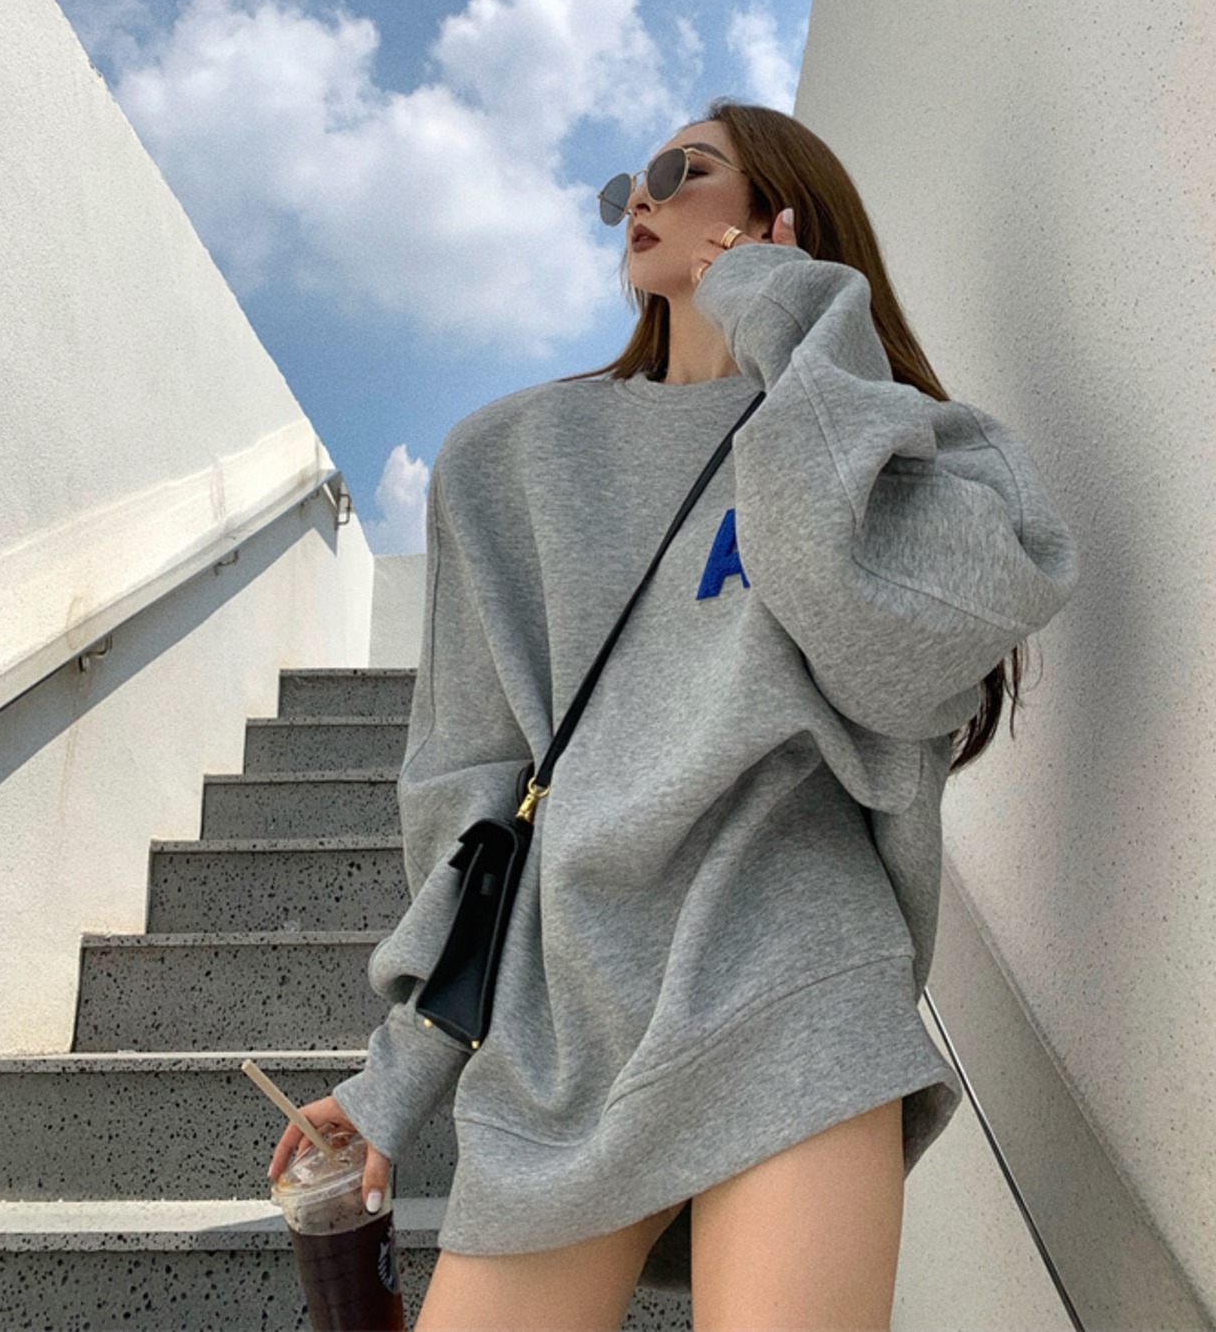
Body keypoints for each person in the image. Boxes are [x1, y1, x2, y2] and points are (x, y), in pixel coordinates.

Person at [269, 100, 1080, 1331]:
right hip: (560, 1018)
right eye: (624, 188)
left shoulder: (905, 448)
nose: (638, 199)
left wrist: (785, 314)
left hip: (793, 964)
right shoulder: (508, 456)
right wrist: (401, 1068)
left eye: (677, 169)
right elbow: (472, 785)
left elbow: (900, 658)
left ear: (780, 212)